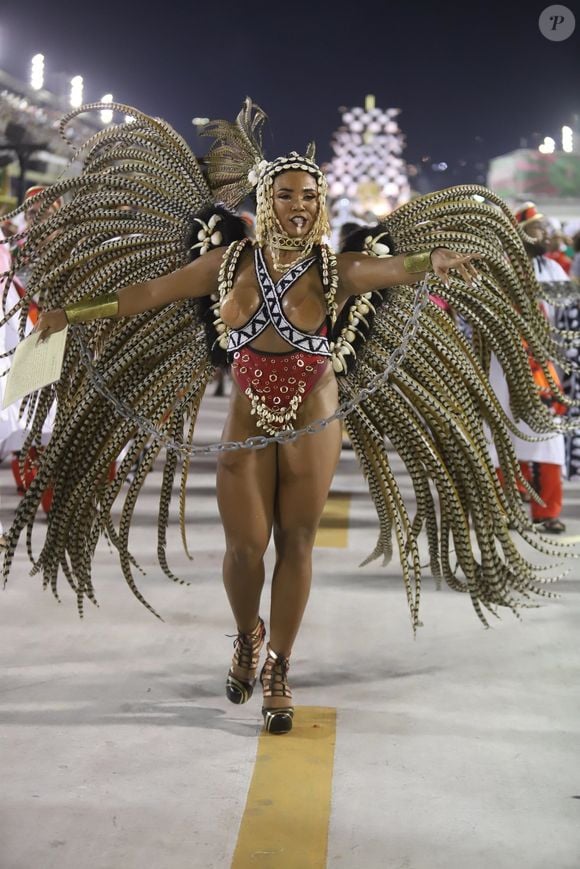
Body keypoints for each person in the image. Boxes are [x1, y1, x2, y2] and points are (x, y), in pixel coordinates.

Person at [1, 100, 574, 735]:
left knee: (296, 543)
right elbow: (147, 294)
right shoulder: (227, 266)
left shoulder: (336, 270)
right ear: (265, 199)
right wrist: (68, 315)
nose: (297, 206)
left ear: (320, 203)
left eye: (308, 195)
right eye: (284, 195)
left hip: (314, 422)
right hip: (248, 419)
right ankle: (248, 634)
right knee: (246, 549)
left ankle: (278, 666)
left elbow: (394, 267)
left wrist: (431, 263)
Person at [489, 202, 570, 533]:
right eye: (536, 229)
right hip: (500, 365)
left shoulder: (553, 270)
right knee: (501, 436)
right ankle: (503, 508)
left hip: (542, 367)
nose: (543, 235)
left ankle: (547, 512)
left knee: (547, 437)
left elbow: (567, 314)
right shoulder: (495, 269)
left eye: (543, 229)